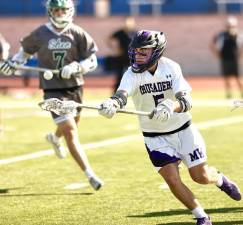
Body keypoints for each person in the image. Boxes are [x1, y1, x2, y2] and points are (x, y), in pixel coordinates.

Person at [98, 30, 241, 224]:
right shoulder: (131, 73)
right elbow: (122, 94)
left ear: (157, 52)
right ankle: (202, 216)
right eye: (136, 52)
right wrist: (112, 104)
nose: (138, 56)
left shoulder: (171, 67)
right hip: (155, 137)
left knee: (201, 176)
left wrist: (170, 106)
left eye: (143, 52)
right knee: (172, 179)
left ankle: (220, 180)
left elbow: (186, 100)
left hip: (183, 130)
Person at [0, 0, 103, 191]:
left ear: (70, 11)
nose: (60, 13)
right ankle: (90, 174)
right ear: (50, 12)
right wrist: (12, 64)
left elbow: (92, 60)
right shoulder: (40, 32)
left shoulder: (77, 32)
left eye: (63, 10)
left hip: (75, 86)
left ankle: (55, 139)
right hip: (52, 89)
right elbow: (23, 54)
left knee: (72, 125)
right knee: (70, 131)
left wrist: (77, 67)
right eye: (56, 10)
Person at [210, 16, 243, 99]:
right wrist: (217, 54)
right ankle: (229, 95)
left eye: (232, 26)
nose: (230, 27)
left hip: (234, 60)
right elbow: (212, 44)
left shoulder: (238, 35)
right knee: (227, 78)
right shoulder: (222, 35)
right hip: (225, 59)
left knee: (238, 78)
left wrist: (240, 55)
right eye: (228, 26)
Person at [104, 16, 137, 93]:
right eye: (126, 22)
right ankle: (116, 92)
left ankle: (134, 91)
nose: (128, 24)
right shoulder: (120, 32)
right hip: (122, 57)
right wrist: (114, 49)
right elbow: (109, 39)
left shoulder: (135, 33)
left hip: (132, 58)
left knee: (134, 74)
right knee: (119, 75)